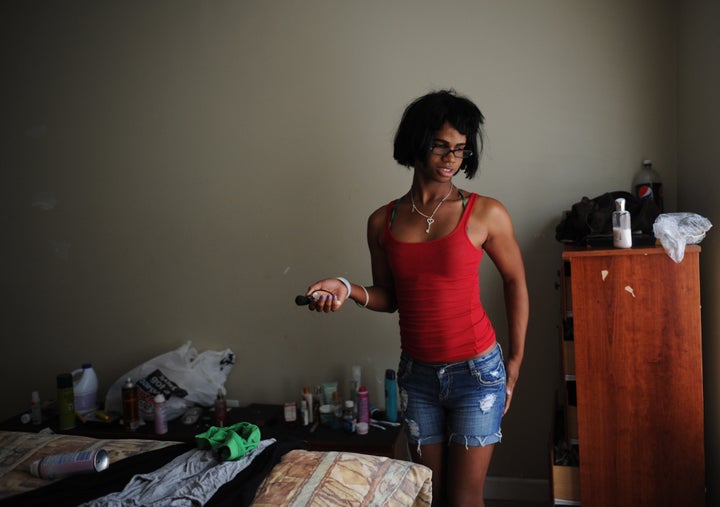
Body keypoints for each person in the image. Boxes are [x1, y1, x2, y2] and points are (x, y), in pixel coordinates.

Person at [303, 89, 529, 507]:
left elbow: (515, 281)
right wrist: (345, 287)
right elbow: (391, 297)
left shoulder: (485, 213)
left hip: (476, 374)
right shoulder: (381, 221)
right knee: (430, 497)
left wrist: (513, 364)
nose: (450, 158)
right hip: (418, 379)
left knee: (463, 501)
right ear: (416, 142)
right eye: (440, 145)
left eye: (460, 149)